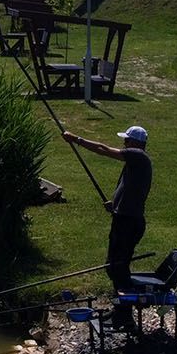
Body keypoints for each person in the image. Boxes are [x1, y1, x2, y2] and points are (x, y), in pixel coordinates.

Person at [61, 123, 153, 294]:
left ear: (134, 142)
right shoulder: (136, 162)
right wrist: (115, 205)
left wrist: (76, 139)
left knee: (118, 267)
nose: (124, 144)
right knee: (114, 266)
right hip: (124, 218)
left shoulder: (138, 155)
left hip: (128, 222)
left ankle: (124, 312)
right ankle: (120, 307)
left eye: (126, 140)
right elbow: (129, 189)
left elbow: (102, 149)